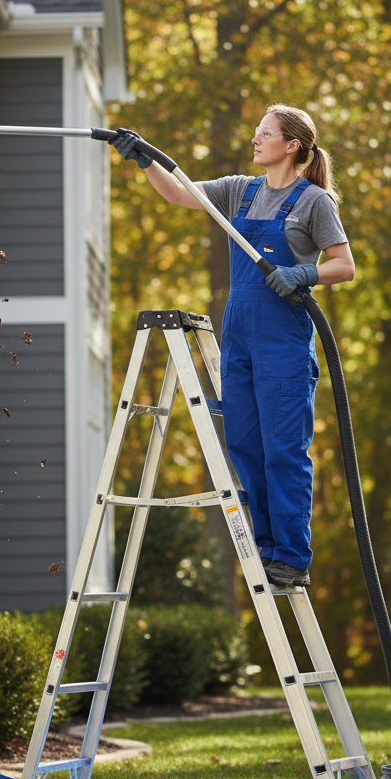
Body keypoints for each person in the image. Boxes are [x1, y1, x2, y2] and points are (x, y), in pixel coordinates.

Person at [110, 106, 353, 588]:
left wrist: (305, 273)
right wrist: (145, 159)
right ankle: (267, 548)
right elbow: (181, 193)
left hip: (284, 344)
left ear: (292, 146)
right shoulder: (239, 189)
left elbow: (344, 265)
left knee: (284, 449)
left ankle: (291, 555)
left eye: (265, 134)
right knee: (244, 443)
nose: (255, 140)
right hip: (239, 339)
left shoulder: (315, 202)